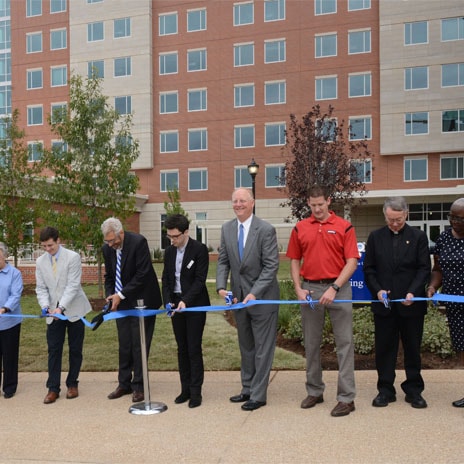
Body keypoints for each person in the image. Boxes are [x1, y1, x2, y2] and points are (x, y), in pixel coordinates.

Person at [286, 186, 359, 417]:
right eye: (313, 205)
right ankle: (315, 391)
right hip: (310, 290)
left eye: (321, 204)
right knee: (311, 343)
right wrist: (298, 288)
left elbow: (352, 262)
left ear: (328, 201)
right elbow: (295, 260)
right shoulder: (300, 228)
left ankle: (347, 398)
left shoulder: (344, 226)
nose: (317, 209)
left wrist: (335, 287)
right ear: (308, 203)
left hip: (339, 289)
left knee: (344, 344)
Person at [364, 197, 431, 409]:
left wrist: (413, 292)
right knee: (384, 349)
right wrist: (378, 290)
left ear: (406, 214)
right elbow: (369, 269)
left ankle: (414, 390)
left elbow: (423, 269)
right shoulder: (375, 237)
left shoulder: (419, 237)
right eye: (391, 219)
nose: (394, 224)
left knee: (412, 348)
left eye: (398, 220)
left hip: (411, 305)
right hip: (384, 305)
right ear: (385, 216)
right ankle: (385, 390)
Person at [216, 187, 279, 411]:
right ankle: (247, 388)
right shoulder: (227, 229)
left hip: (262, 300)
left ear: (252, 203)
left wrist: (255, 293)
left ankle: (259, 395)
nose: (238, 204)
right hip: (239, 300)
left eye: (243, 200)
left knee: (263, 349)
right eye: (235, 201)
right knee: (246, 347)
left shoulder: (265, 230)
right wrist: (221, 286)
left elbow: (271, 266)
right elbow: (223, 261)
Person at [101, 217, 162, 403]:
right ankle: (124, 384)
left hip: (143, 301)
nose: (110, 244)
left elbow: (142, 274)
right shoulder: (107, 249)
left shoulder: (138, 242)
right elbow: (110, 276)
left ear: (121, 233)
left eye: (112, 240)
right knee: (125, 343)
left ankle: (139, 386)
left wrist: (122, 294)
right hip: (122, 303)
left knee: (139, 344)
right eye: (107, 241)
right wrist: (111, 295)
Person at [35, 227, 92, 404]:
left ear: (58, 240)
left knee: (75, 349)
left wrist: (61, 308)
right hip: (53, 313)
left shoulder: (73, 257)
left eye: (50, 245)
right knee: (54, 349)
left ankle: (72, 384)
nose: (47, 249)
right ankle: (53, 388)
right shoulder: (40, 262)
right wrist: (45, 306)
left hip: (74, 310)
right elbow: (41, 288)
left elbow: (73, 286)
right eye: (44, 246)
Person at [162, 214, 210, 408]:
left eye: (175, 236)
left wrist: (185, 301)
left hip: (195, 305)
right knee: (181, 348)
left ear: (186, 232)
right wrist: (168, 301)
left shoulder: (199, 250)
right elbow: (166, 279)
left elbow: (200, 280)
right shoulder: (169, 252)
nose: (172, 240)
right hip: (176, 307)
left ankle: (196, 392)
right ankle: (185, 389)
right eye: (169, 237)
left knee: (193, 348)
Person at [427, 198, 464, 408]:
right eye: (452, 216)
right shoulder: (443, 239)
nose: (454, 222)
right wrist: (433, 287)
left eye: (459, 218)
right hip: (454, 303)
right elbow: (438, 270)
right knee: (462, 348)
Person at [0, 242, 23, 399]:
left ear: (4, 256)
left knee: (9, 356)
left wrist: (4, 308)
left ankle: (9, 387)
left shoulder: (14, 273)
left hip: (10, 323)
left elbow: (15, 295)